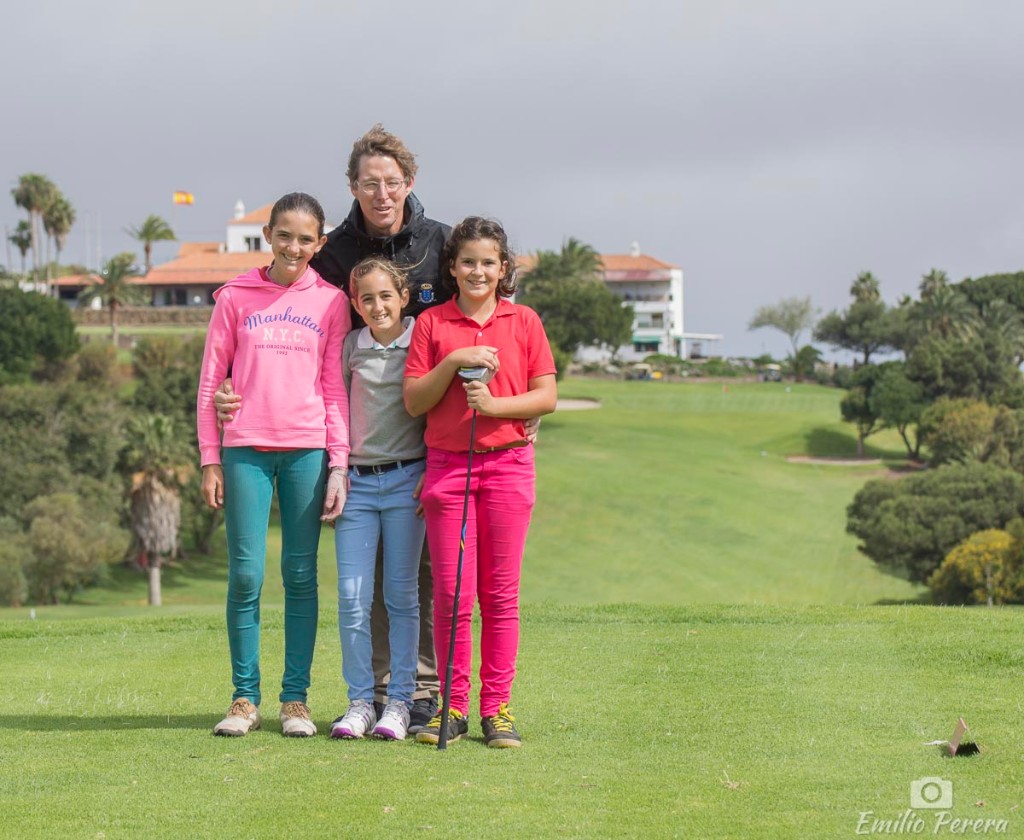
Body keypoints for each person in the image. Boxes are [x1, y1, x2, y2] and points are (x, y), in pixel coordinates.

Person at [216, 125, 449, 733]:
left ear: (409, 182)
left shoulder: (440, 244)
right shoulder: (331, 253)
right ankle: (371, 695)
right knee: (358, 588)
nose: (381, 193)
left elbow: (473, 317)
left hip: (423, 444)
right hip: (350, 449)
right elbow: (286, 324)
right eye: (369, 182)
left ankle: (419, 694)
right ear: (353, 186)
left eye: (391, 182)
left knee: (415, 580)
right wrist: (229, 391)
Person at [197, 192, 351, 738]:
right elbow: (210, 382)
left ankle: (294, 701)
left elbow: (334, 387)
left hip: (308, 450)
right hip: (245, 450)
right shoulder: (234, 296)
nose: (293, 247)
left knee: (301, 575)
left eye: (305, 239)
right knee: (246, 575)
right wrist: (210, 458)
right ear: (268, 235)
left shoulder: (332, 302)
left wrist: (339, 462)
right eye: (284, 235)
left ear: (320, 244)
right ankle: (244, 699)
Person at [403, 217, 557, 747]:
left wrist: (494, 407)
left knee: (500, 595)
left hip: (509, 467)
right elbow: (415, 401)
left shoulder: (524, 321)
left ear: (503, 267)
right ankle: (453, 706)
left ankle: (497, 709)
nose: (477, 271)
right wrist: (453, 360)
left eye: (488, 262)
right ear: (451, 267)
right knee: (451, 594)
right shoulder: (432, 324)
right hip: (449, 468)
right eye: (467, 261)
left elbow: (546, 396)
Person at [330, 258, 426, 741]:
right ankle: (361, 702)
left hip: (409, 480)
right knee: (352, 599)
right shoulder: (352, 345)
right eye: (366, 298)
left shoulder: (421, 339)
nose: (377, 305)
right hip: (358, 486)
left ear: (404, 297)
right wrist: (336, 470)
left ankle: (401, 702)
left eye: (386, 295)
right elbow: (334, 406)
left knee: (401, 596)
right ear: (355, 304)